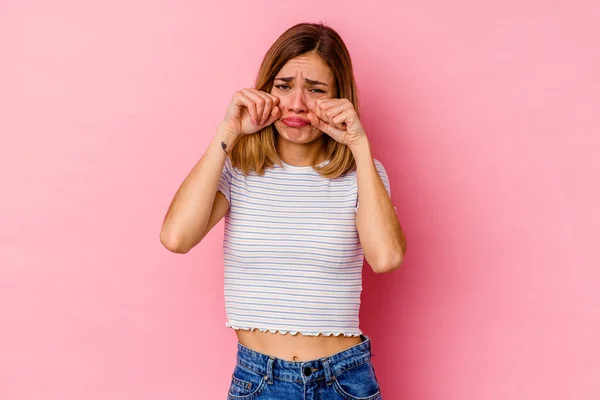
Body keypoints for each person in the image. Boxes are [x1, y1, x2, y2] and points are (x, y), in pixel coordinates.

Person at [160, 22, 406, 400]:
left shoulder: (363, 176)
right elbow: (176, 238)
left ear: (339, 97)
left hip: (343, 381)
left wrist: (359, 144)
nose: (296, 104)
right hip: (259, 380)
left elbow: (386, 257)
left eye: (316, 90)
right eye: (284, 85)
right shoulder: (237, 170)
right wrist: (228, 131)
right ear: (266, 89)